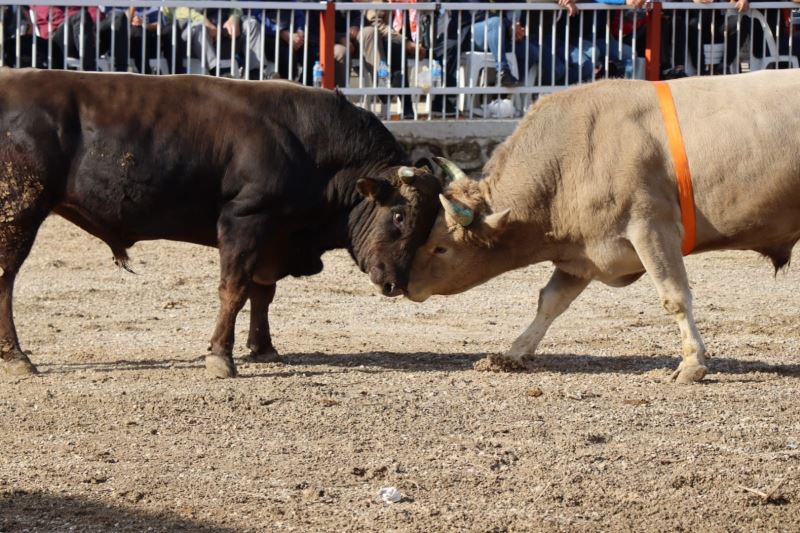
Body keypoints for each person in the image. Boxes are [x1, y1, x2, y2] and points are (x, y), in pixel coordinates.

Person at [31, 6, 128, 72]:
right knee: (80, 17)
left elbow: (95, 10)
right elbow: (54, 16)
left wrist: (91, 26)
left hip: (88, 34)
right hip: (59, 42)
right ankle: (90, 71)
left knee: (118, 17)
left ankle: (121, 73)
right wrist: (83, 23)